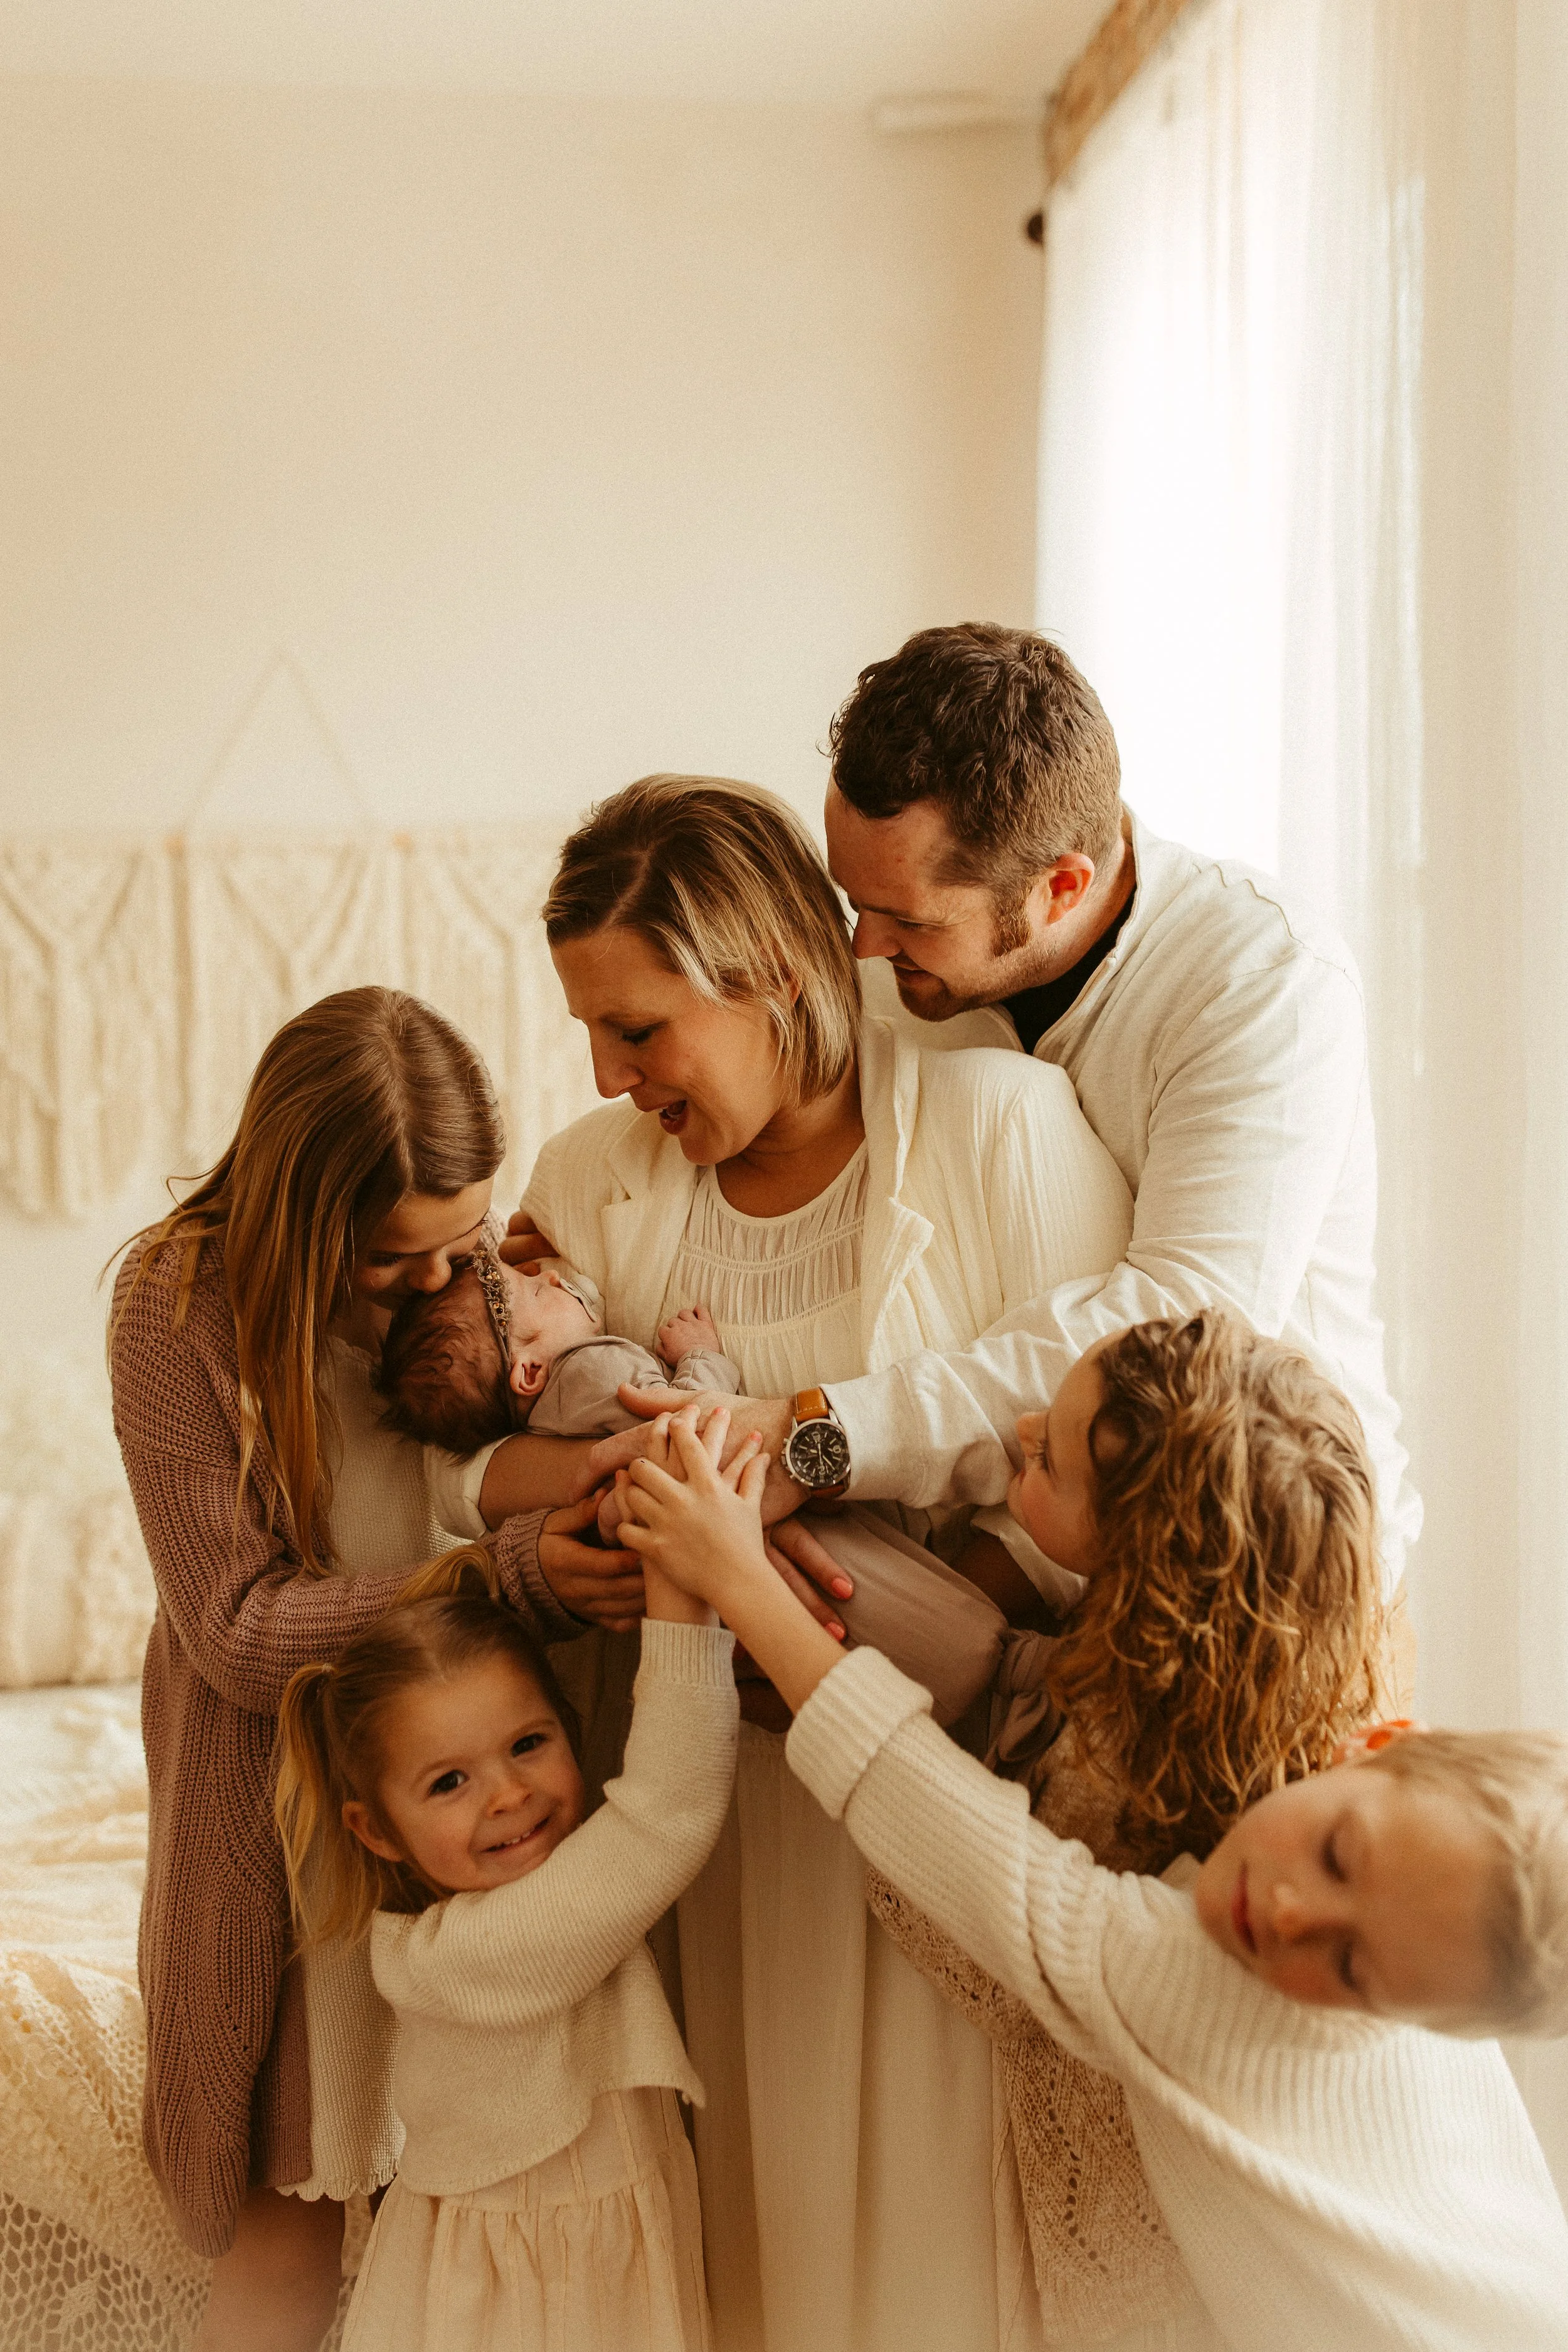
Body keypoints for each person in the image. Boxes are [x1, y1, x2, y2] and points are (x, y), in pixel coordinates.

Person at [460, 773, 1133, 2352]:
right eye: (590, 1034)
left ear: (766, 976)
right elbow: (467, 1463)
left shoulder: (997, 1131)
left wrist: (866, 1525)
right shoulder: (591, 1182)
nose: (615, 1077)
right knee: (745, 2234)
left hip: (939, 1793)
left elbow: (1111, 1459)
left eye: (640, 1028)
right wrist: (565, 1541)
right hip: (706, 1817)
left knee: (939, 2245)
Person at [617, 1408, 1568, 2352]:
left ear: (1409, 2015)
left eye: (1353, 1966)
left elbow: (956, 1832)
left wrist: (739, 1579)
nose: (1290, 1914)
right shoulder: (1446, 1929)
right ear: (1384, 1740)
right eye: (1336, 1855)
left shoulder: (1219, 1995)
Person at [597, 627, 1422, 1690]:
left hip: (1273, 1614)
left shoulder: (1261, 982)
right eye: (854, 901)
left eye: (904, 918)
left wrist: (816, 1437)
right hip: (1035, 1609)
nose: (862, 952)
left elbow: (1173, 1333)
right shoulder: (924, 984)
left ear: (1062, 885)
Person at [108, 987, 632, 2352]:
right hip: (287, 1825)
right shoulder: (176, 1311)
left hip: (470, 1789)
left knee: (506, 2195)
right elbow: (231, 1628)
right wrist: (507, 1575)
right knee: (301, 2193)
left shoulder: (490, 1286)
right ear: (308, 1219)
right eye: (400, 1257)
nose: (442, 1281)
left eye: (464, 1240)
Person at [272, 1537, 741, 2352]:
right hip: (523, 2304)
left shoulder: (548, 1902)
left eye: (528, 1743)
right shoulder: (478, 1954)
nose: (510, 1794)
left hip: (591, 2260)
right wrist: (682, 1579)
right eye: (449, 1782)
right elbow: (669, 1810)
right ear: (376, 1829)